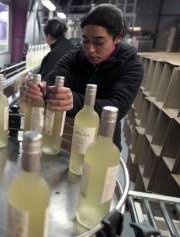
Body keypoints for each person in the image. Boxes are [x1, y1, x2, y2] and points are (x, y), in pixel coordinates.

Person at [26, 4, 143, 150]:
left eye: (99, 42)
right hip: (70, 138)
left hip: (103, 142)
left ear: (117, 37)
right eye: (86, 40)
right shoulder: (74, 57)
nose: (90, 49)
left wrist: (74, 101)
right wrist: (43, 88)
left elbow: (117, 106)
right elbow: (55, 76)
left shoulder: (131, 67)